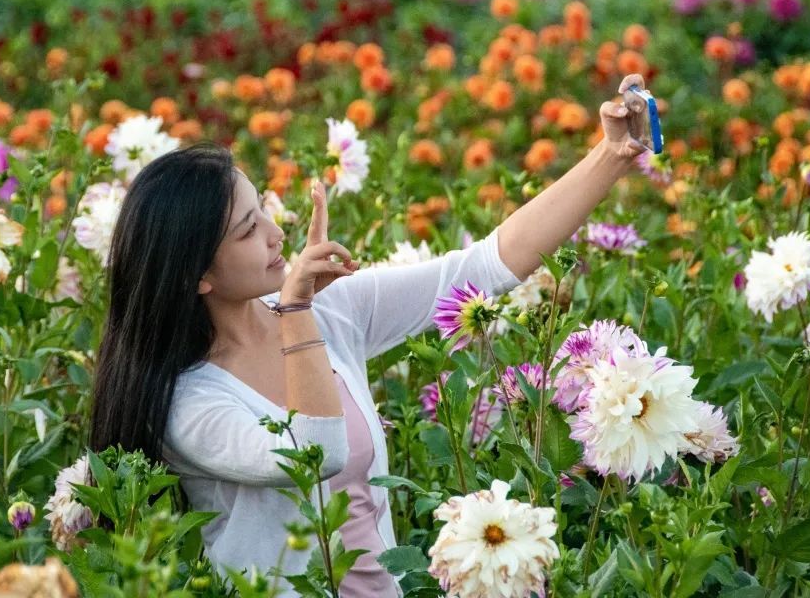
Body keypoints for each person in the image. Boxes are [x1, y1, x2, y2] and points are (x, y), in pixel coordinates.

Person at [89, 74, 652, 596]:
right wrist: (297, 310)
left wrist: (610, 157)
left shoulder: (332, 310)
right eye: (246, 230)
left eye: (262, 209)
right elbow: (317, 453)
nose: (274, 231)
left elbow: (483, 266)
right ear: (198, 276)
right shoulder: (188, 402)